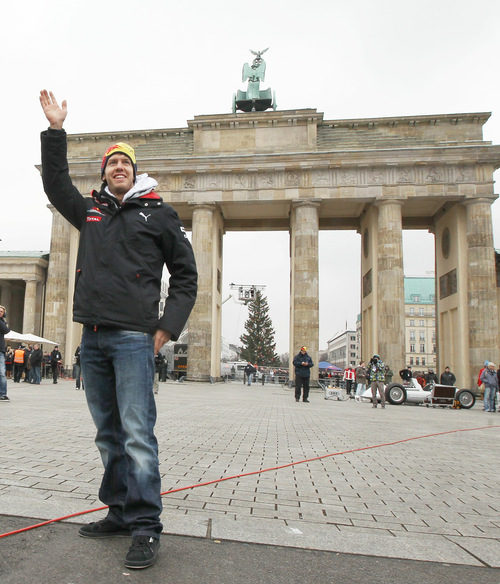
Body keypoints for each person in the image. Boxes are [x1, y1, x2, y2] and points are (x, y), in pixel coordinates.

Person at [40, 89, 198, 570]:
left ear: (136, 171)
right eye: (111, 164)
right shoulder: (90, 212)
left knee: (136, 433)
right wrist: (55, 131)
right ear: (104, 173)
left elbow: (187, 277)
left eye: (125, 163)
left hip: (134, 338)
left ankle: (147, 527)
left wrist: (166, 330)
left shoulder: (160, 215)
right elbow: (55, 184)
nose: (118, 168)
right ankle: (119, 511)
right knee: (108, 433)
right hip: (93, 337)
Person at [0, 306, 11, 401]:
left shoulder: (2, 322)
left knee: (2, 373)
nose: (0, 312)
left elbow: (7, 330)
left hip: (0, 351)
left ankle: (3, 394)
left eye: (1, 311)